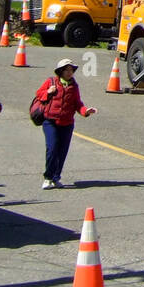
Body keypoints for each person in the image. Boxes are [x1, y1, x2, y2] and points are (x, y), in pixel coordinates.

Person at [35, 58, 96, 189]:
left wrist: (86, 111)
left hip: (67, 123)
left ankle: (56, 178)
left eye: (71, 70)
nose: (69, 73)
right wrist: (48, 92)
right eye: (66, 70)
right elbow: (39, 94)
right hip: (50, 121)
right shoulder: (51, 82)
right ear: (60, 71)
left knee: (62, 152)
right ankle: (47, 177)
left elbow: (77, 104)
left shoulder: (74, 86)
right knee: (52, 148)